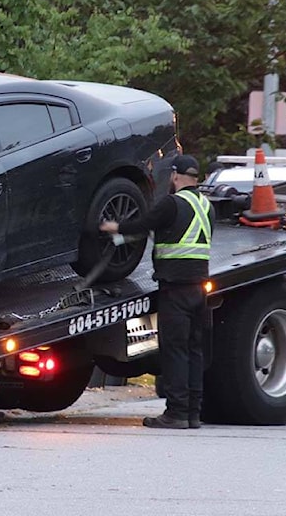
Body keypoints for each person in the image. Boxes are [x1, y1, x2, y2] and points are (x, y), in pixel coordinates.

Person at [99, 154, 213, 429]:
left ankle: (175, 413)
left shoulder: (171, 203)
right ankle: (193, 414)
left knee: (174, 352)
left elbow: (142, 224)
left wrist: (114, 227)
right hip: (199, 289)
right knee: (194, 351)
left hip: (174, 289)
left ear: (175, 176)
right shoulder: (206, 206)